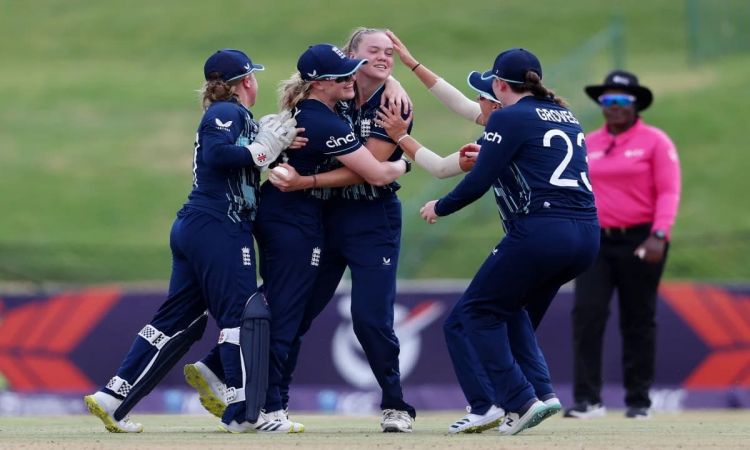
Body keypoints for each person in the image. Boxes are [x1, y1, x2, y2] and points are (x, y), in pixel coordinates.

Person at [83, 49, 299, 433]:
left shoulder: (236, 116)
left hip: (200, 225)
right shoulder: (225, 112)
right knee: (243, 316)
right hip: (219, 225)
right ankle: (243, 413)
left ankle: (114, 397)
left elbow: (241, 167)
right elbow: (219, 156)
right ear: (247, 81)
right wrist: (266, 147)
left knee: (179, 320)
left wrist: (269, 149)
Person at [377, 31, 564, 434]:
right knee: (509, 314)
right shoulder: (544, 118)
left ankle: (493, 405)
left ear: (499, 96)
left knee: (467, 319)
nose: (474, 104)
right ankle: (541, 392)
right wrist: (411, 63)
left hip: (535, 234)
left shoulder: (507, 125)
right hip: (575, 235)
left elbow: (448, 171)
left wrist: (400, 140)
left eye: (483, 95)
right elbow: (460, 110)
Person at [419, 48, 600, 436]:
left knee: (476, 314)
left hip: (542, 230)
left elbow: (478, 182)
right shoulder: (567, 116)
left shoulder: (509, 116)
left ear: (500, 85)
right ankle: (542, 392)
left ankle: (519, 400)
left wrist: (440, 206)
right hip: (586, 235)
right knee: (511, 310)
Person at [270, 27, 417, 433]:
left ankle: (395, 405)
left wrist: (308, 182)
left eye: (390, 52)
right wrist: (402, 166)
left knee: (370, 318)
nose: (385, 58)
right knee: (298, 311)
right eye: (375, 51)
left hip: (373, 219)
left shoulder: (395, 104)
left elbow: (366, 173)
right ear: (352, 57)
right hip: (328, 219)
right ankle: (273, 405)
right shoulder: (338, 91)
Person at [564, 70, 681, 420]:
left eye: (621, 101)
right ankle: (588, 400)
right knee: (586, 313)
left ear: (635, 105)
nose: (613, 107)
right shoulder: (589, 142)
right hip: (595, 240)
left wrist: (660, 234)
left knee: (638, 318)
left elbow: (669, 190)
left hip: (642, 239)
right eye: (607, 100)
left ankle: (639, 400)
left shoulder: (655, 142)